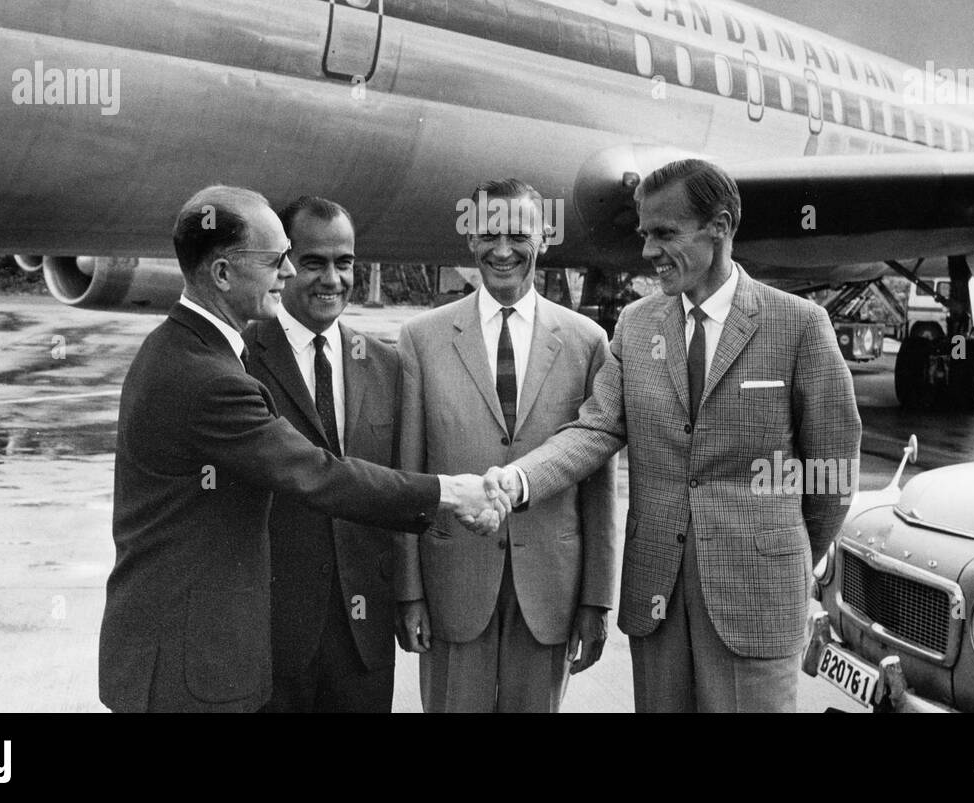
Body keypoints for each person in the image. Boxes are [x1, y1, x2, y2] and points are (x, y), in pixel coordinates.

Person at [98, 185, 505, 713]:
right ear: (222, 273)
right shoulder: (212, 378)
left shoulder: (181, 347)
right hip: (192, 663)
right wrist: (451, 492)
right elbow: (316, 473)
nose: (288, 273)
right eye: (276, 260)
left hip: (199, 651)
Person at [486, 159, 861, 713]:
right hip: (656, 598)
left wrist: (780, 550)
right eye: (645, 234)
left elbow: (832, 474)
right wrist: (518, 481)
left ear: (720, 227)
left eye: (665, 233)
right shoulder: (636, 325)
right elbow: (595, 427)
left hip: (756, 599)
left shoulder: (799, 325)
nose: (648, 251)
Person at [396, 178, 617, 712]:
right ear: (470, 239)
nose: (502, 250)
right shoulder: (421, 339)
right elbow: (409, 473)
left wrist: (596, 599)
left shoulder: (587, 341)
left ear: (544, 238)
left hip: (550, 590)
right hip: (453, 584)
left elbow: (598, 486)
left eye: (518, 235)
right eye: (489, 234)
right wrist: (409, 590)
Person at [242, 196, 401, 713]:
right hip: (269, 635)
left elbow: (397, 488)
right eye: (314, 262)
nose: (332, 279)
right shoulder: (240, 360)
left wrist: (410, 597)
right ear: (284, 264)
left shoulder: (387, 365)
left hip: (364, 635)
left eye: (344, 262)